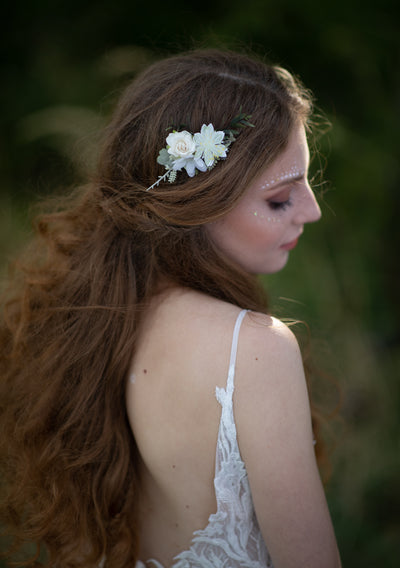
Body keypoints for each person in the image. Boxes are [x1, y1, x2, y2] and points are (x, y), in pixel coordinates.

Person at [0, 49, 341, 568]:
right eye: (280, 199)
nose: (311, 212)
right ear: (198, 201)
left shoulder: (97, 316)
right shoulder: (254, 349)